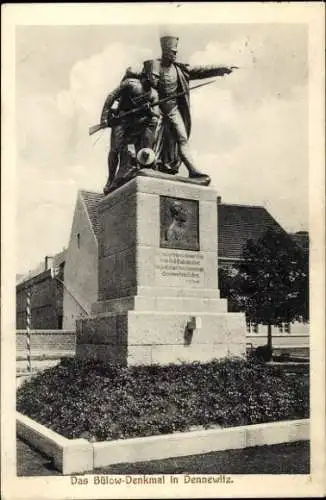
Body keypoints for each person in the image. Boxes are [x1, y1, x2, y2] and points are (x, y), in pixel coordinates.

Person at [124, 35, 237, 182]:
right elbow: (137, 79)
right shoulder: (153, 66)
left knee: (182, 138)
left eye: (176, 52)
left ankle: (194, 171)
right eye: (172, 51)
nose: (175, 54)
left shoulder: (180, 70)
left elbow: (202, 71)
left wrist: (221, 68)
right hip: (155, 110)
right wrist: (130, 73)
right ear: (164, 51)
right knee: (149, 140)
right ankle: (145, 165)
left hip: (173, 110)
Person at [100, 60, 161, 195]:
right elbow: (111, 96)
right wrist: (104, 118)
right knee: (115, 149)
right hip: (121, 120)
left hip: (137, 123)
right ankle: (110, 179)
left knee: (143, 140)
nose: (158, 79)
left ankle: (140, 166)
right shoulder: (131, 84)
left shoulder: (154, 94)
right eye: (155, 76)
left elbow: (156, 115)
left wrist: (149, 110)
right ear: (148, 75)